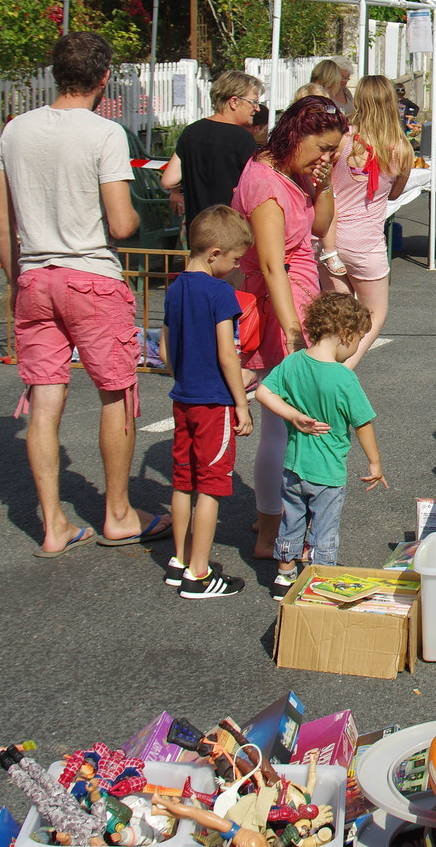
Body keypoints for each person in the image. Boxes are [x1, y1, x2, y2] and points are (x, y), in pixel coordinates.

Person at [0, 31, 158, 558]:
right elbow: (122, 223)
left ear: (55, 73)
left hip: (35, 275)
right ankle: (118, 513)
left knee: (44, 398)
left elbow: (0, 218)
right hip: (90, 275)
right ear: (104, 77)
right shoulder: (105, 133)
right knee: (116, 392)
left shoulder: (15, 130)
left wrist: (16, 279)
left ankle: (54, 524)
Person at [233, 95, 344, 559]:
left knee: (288, 427)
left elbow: (320, 226)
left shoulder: (290, 169)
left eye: (332, 151)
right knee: (283, 429)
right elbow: (271, 266)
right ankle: (270, 533)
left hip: (297, 298)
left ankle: (278, 526)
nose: (326, 157)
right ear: (297, 135)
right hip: (280, 306)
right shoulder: (265, 182)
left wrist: (323, 182)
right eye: (322, 148)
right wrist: (294, 334)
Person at [255, 292, 389, 586]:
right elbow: (362, 424)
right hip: (328, 472)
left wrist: (292, 415)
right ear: (345, 334)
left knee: (292, 520)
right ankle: (320, 579)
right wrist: (375, 462)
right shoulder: (343, 378)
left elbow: (263, 393)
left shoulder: (293, 363)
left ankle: (284, 575)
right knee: (324, 529)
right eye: (357, 340)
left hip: (293, 466)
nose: (355, 348)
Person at [161, 205, 255, 601]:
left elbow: (165, 350)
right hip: (214, 402)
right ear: (215, 253)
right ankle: (198, 574)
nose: (236, 267)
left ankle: (179, 559)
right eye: (234, 259)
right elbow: (227, 354)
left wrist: (184, 374)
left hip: (183, 398)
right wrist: (242, 404)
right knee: (212, 486)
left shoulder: (175, 288)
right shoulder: (221, 293)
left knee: (183, 480)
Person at [322, 75, 414, 366]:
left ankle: (327, 363)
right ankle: (345, 368)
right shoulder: (401, 148)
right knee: (374, 313)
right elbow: (394, 194)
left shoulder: (342, 140)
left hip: (330, 236)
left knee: (336, 315)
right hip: (365, 241)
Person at [159, 71, 263, 232]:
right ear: (234, 102)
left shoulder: (190, 132)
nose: (257, 109)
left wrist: (179, 191)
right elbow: (257, 188)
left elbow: (168, 180)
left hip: (197, 229)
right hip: (230, 230)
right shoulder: (242, 138)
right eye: (253, 102)